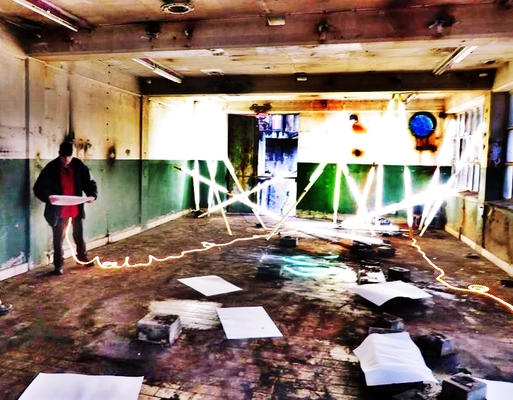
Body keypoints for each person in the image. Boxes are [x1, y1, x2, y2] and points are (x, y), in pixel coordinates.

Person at [34, 141, 98, 275]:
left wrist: (92, 195)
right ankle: (58, 264)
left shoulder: (79, 166)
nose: (66, 160)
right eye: (63, 157)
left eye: (69, 157)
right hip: (58, 211)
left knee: (79, 235)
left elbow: (89, 182)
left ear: (72, 155)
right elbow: (39, 187)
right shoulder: (51, 168)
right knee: (58, 238)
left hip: (75, 208)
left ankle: (82, 257)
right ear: (59, 155)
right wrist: (48, 197)